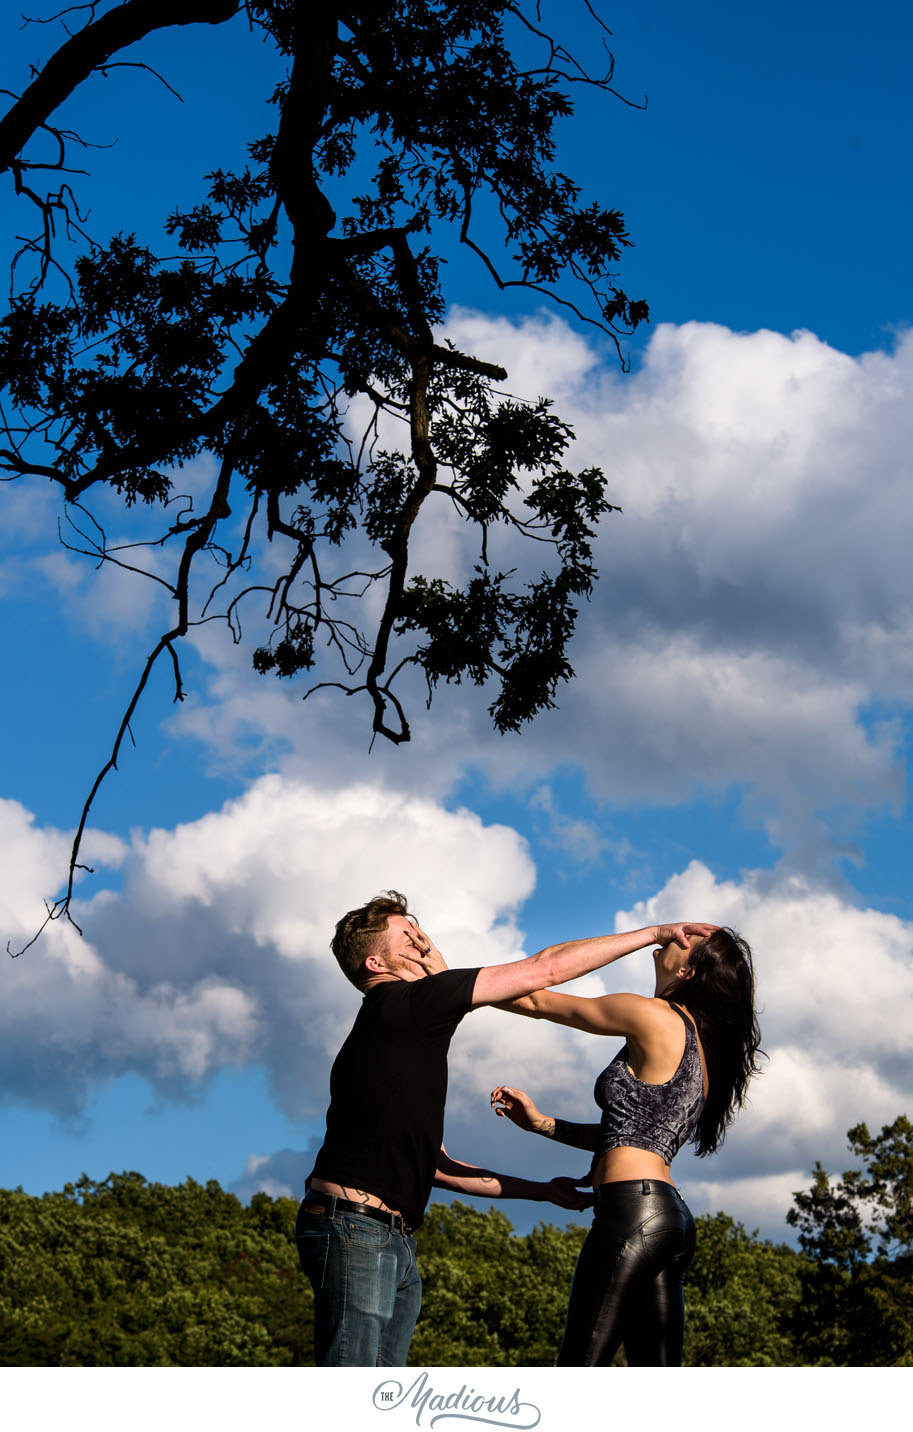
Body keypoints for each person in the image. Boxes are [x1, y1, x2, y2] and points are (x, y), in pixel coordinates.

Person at [296, 891, 717, 1366]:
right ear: (376, 962)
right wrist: (654, 933)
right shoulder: (405, 1003)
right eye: (407, 938)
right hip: (355, 1227)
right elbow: (544, 971)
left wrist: (542, 1191)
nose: (421, 942)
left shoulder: (399, 1028)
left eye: (419, 932)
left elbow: (439, 1168)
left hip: (390, 1236)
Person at [491, 926, 762, 1366]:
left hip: (631, 1212)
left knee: (578, 1365)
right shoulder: (703, 1049)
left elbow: (537, 999)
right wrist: (544, 1125)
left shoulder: (653, 1015)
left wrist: (447, 984)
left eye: (688, 940)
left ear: (689, 970)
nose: (676, 936)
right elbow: (629, 1132)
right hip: (668, 1216)